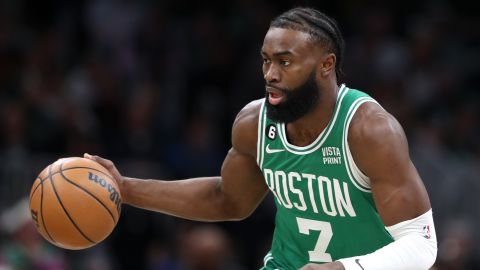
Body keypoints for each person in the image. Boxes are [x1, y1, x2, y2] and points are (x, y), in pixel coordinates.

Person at [85, 7, 437, 270]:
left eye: (285, 62)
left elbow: (422, 246)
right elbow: (227, 200)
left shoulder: (369, 130)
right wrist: (125, 189)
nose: (270, 74)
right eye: (266, 61)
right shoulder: (254, 123)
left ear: (326, 65)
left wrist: (346, 268)